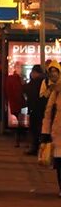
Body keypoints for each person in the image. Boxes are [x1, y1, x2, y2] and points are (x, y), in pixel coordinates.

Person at [42, 67, 61, 196]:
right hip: (58, 133)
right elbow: (48, 113)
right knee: (59, 164)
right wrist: (45, 134)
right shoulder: (56, 91)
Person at [26, 64, 48, 155]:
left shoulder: (36, 82)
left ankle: (35, 148)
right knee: (39, 129)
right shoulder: (44, 80)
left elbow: (32, 94)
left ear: (35, 73)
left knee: (35, 129)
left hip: (36, 109)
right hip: (41, 109)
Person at [4, 63, 26, 147]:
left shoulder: (12, 78)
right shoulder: (16, 79)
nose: (20, 69)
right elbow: (18, 91)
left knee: (19, 122)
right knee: (20, 123)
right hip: (17, 103)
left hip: (14, 103)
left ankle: (18, 140)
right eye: (19, 67)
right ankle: (18, 140)